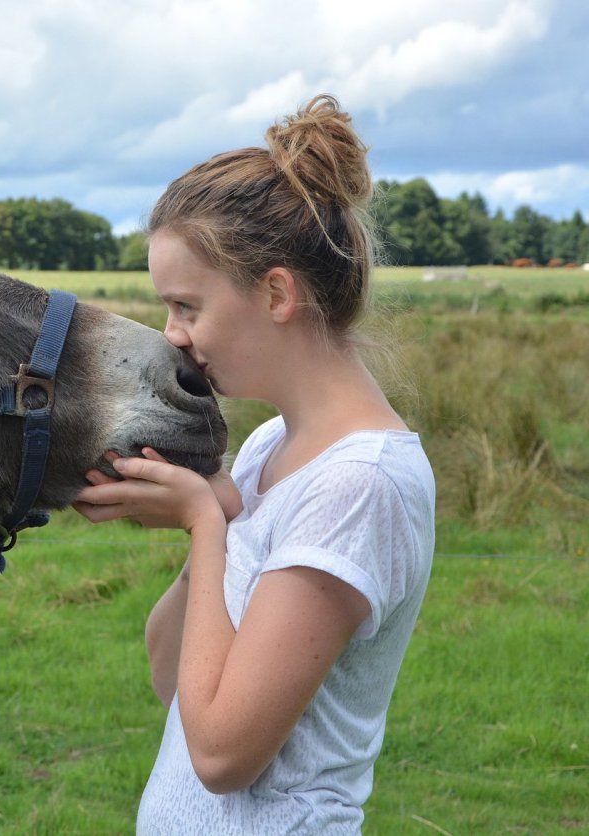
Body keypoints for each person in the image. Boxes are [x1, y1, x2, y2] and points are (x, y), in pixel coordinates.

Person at [74, 95, 435, 834]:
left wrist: (206, 524)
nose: (172, 337)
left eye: (186, 306)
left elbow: (221, 755)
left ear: (276, 294)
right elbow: (170, 677)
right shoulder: (272, 444)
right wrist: (221, 519)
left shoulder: (361, 483)